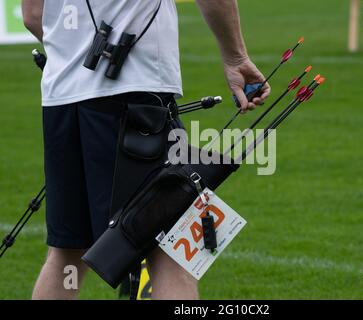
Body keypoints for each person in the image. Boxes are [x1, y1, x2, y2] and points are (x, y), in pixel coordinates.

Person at [22, 0, 271, 300]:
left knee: (67, 255)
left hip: (61, 101)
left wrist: (73, 50)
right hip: (136, 98)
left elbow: (32, 15)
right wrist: (235, 56)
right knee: (172, 252)